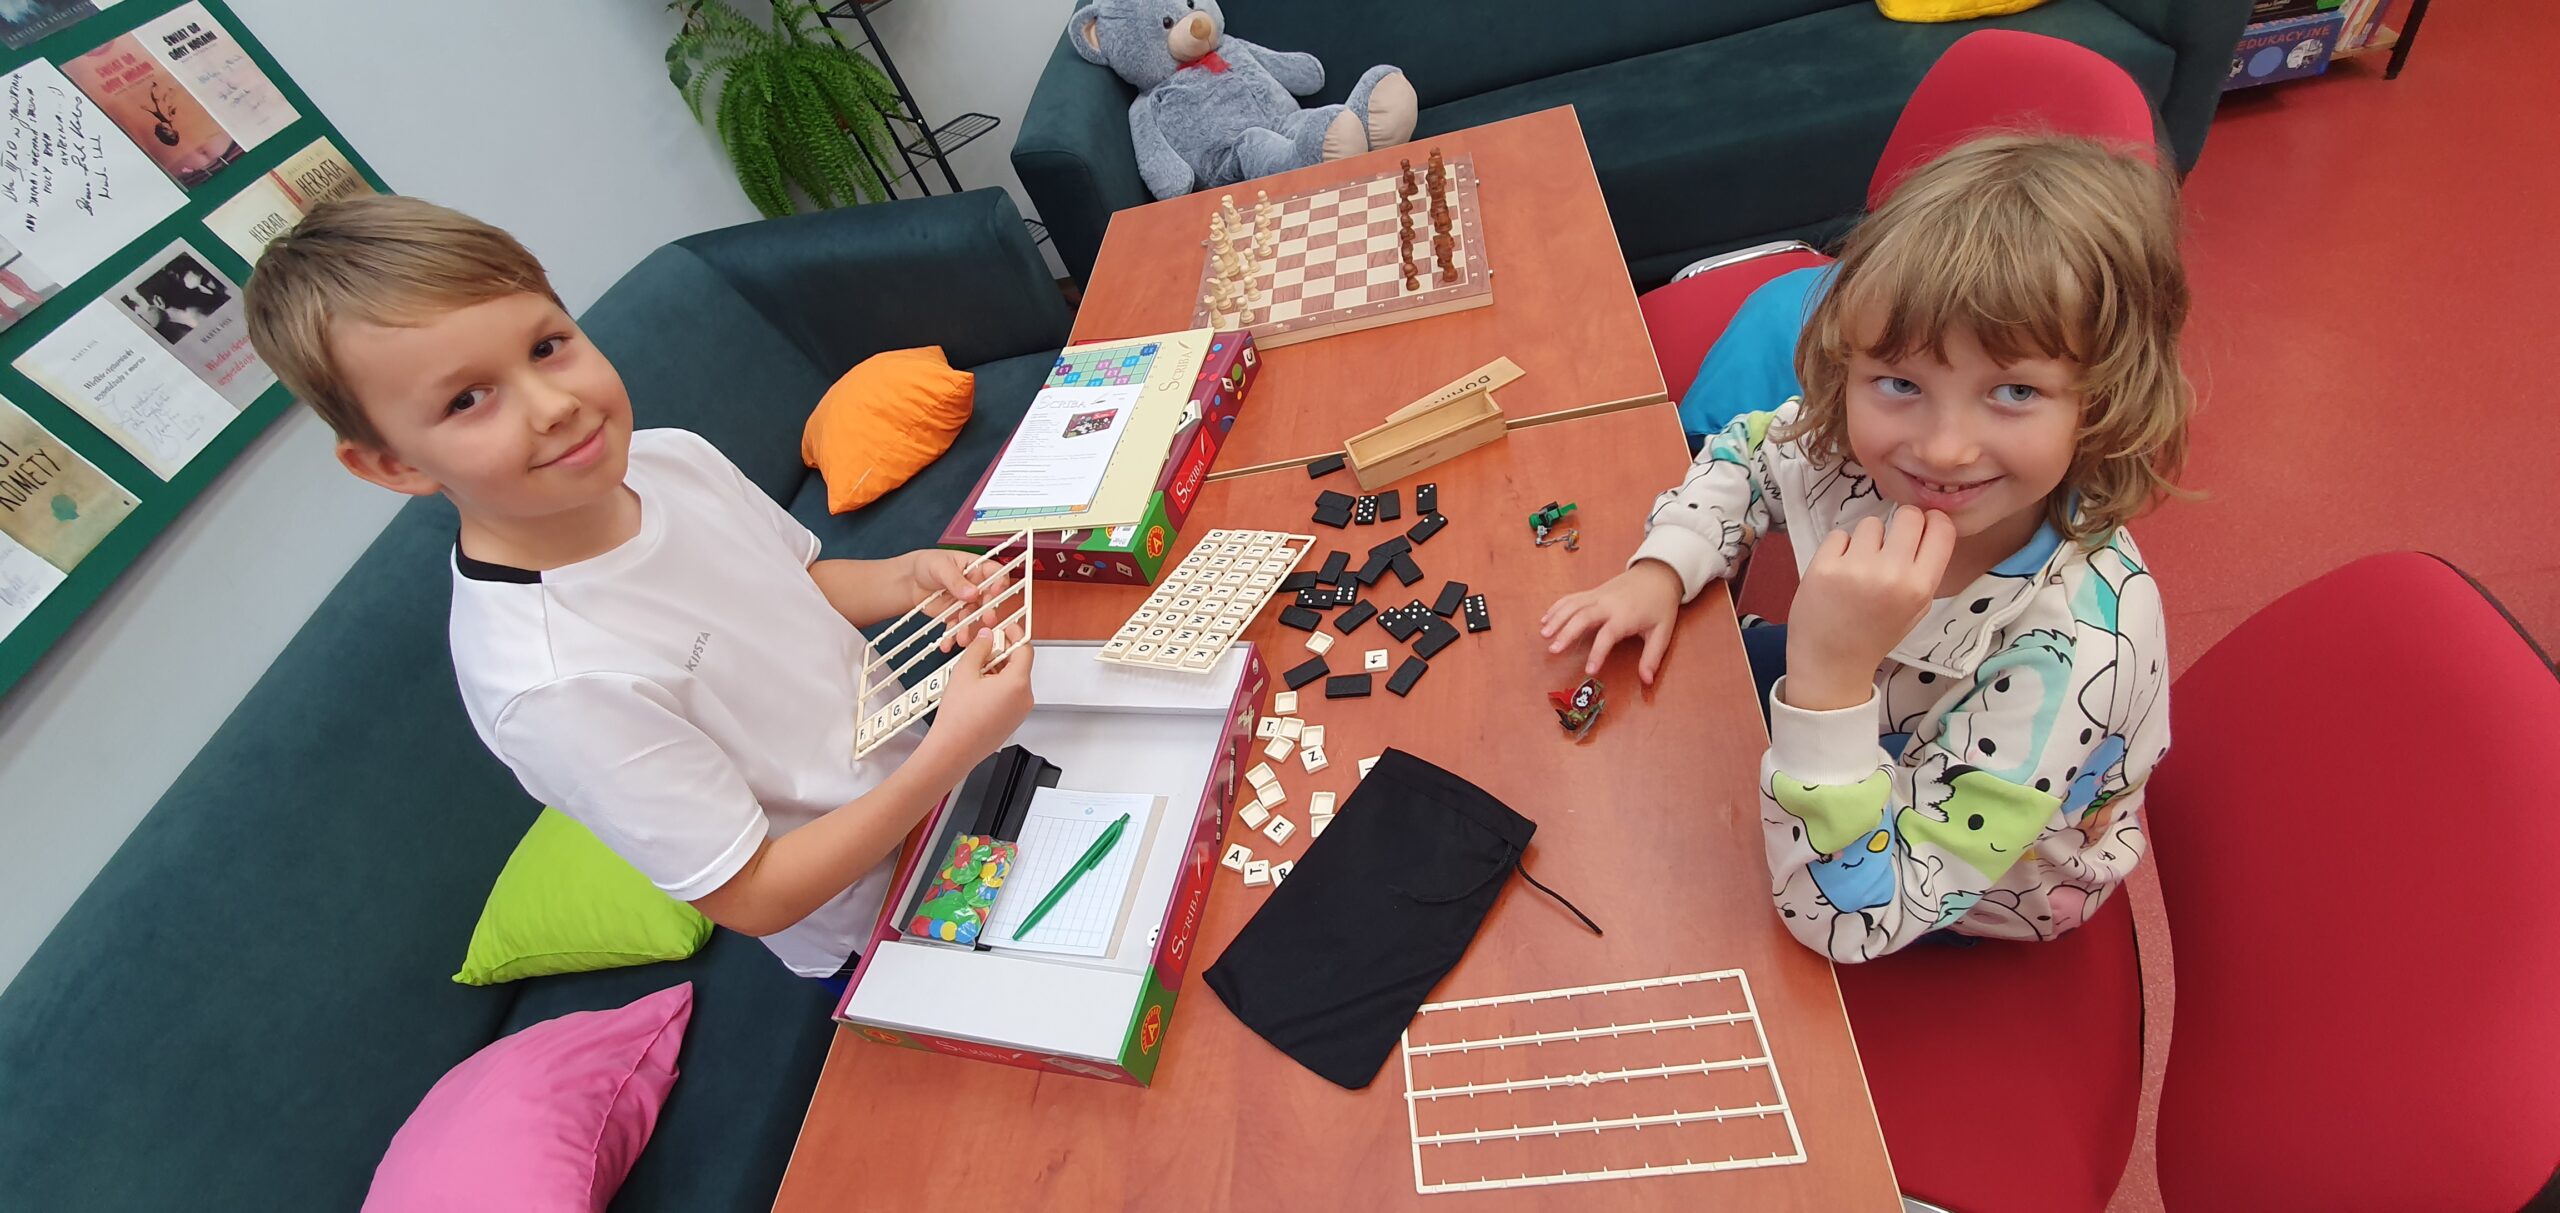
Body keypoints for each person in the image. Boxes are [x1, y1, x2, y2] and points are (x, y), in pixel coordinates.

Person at [242, 196, 1034, 993]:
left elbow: (788, 586)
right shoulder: (549, 682)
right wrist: (951, 753)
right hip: (880, 920)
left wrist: (906, 577)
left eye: (547, 346)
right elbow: (755, 894)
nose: (555, 406)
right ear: (394, 464)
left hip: (945, 781)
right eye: (467, 400)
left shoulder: (668, 458)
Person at [1541, 134, 2188, 961]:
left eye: (2014, 391)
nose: (1943, 448)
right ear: (1846, 363)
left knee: (1657, 903)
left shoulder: (2077, 651)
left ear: (2103, 401)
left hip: (1963, 896)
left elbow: (1851, 920)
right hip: (1862, 703)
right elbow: (1748, 452)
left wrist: (1829, 683)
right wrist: (1664, 569)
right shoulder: (1856, 448)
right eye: (1901, 382)